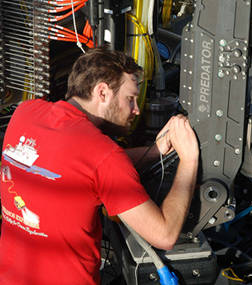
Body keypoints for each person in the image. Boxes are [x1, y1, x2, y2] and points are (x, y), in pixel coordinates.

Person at [0, 47, 199, 285]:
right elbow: (164, 235)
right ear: (102, 92)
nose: (136, 109)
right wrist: (189, 160)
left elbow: (80, 168)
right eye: (130, 98)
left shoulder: (26, 113)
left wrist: (155, 152)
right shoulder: (103, 154)